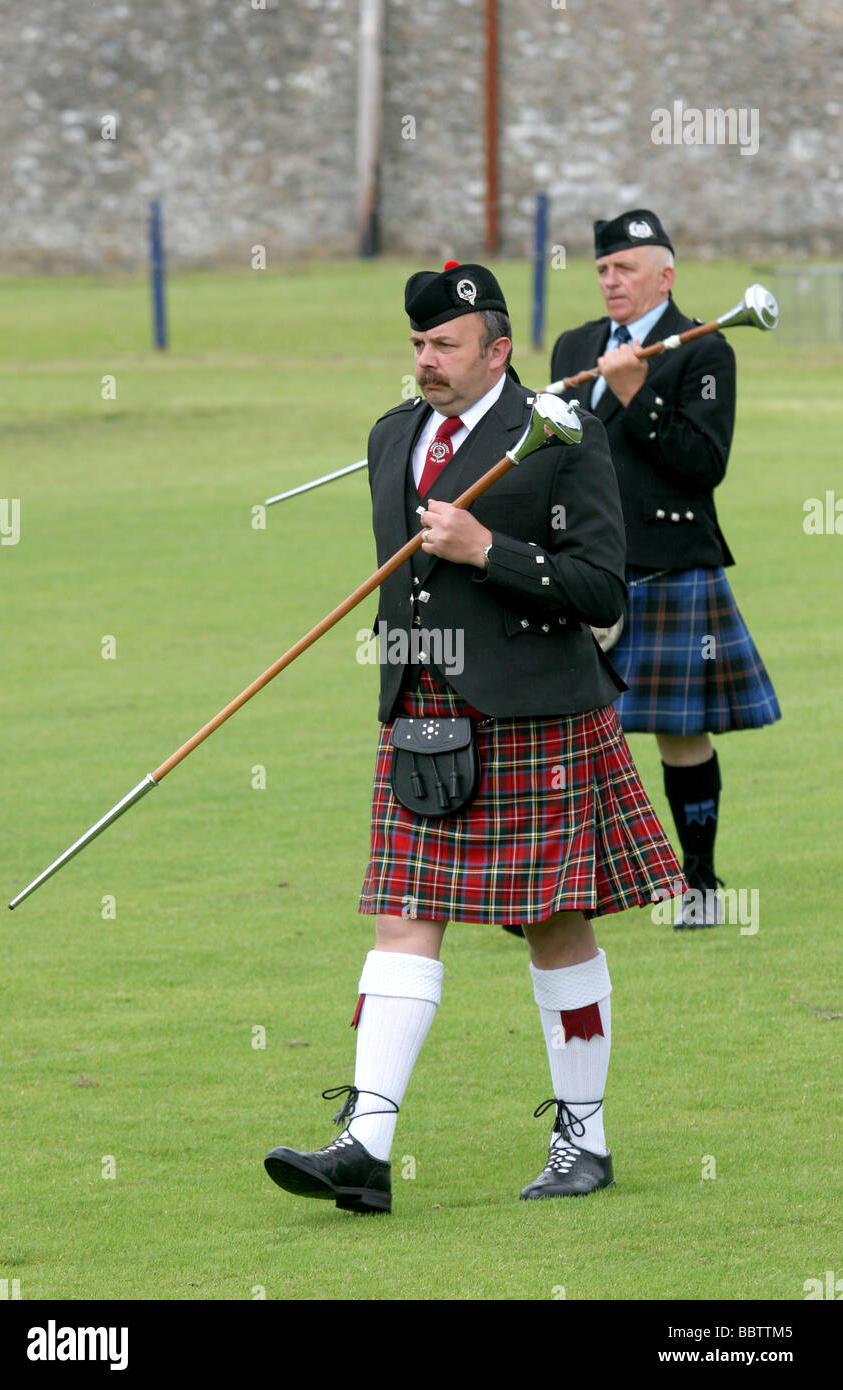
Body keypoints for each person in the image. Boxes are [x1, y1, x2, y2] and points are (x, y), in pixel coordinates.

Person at [264, 261, 685, 1215]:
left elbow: (602, 590)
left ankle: (586, 1138)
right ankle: (365, 1144)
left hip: (536, 715)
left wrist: (488, 549)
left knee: (553, 923)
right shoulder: (392, 437)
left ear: (497, 350)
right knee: (403, 917)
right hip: (421, 717)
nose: (427, 361)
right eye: (418, 344)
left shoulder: (560, 436)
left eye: (445, 346)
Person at [549, 211, 780, 927]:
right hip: (584, 567)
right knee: (562, 730)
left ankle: (701, 884)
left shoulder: (707, 351)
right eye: (602, 270)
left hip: (670, 566)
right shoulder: (575, 345)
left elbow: (701, 466)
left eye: (623, 269)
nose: (609, 281)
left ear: (664, 275)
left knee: (681, 733)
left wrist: (633, 394)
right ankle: (557, 895)